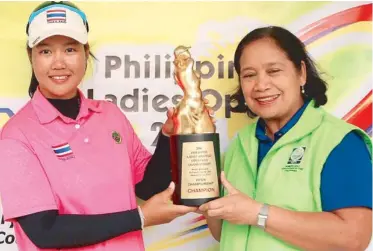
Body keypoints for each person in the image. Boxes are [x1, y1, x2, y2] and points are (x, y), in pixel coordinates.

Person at [0, 1, 199, 250]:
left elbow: (150, 187)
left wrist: (169, 135)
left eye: (70, 49)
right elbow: (44, 231)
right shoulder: (16, 135)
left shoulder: (110, 115)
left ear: (85, 52)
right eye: (46, 51)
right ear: (31, 56)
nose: (58, 63)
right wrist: (140, 218)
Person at [199, 26, 372, 251]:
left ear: (301, 72)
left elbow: (353, 238)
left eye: (273, 71)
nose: (261, 85)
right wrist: (203, 199)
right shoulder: (240, 144)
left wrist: (259, 214)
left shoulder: (340, 142)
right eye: (249, 75)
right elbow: (224, 233)